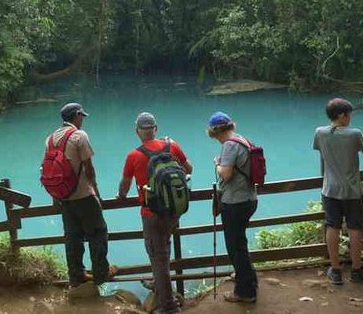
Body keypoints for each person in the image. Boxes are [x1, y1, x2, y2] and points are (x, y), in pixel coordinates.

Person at [117, 112, 193, 314]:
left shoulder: (134, 155)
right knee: (164, 249)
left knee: (158, 256)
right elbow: (189, 168)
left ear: (137, 132)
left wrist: (121, 195)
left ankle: (168, 307)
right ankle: (159, 284)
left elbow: (124, 186)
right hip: (173, 210)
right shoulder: (172, 146)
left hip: (151, 213)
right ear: (155, 129)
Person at [47, 103, 115, 292]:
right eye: (82, 116)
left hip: (64, 198)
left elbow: (50, 170)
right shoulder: (79, 136)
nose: (83, 119)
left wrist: (56, 195)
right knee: (98, 232)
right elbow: (89, 167)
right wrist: (97, 192)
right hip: (83, 195)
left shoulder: (50, 139)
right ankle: (101, 273)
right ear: (76, 115)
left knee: (73, 237)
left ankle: (76, 276)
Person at [313, 98, 363, 285]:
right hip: (352, 190)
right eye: (349, 114)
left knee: (332, 225)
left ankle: (336, 270)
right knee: (355, 227)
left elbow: (320, 149)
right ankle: (357, 269)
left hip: (330, 189)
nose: (350, 118)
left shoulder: (320, 132)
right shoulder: (354, 134)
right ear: (342, 115)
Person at [207, 111, 258, 302]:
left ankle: (245, 292)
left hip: (235, 202)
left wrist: (218, 164)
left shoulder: (229, 145)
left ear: (215, 131)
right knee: (240, 244)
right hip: (250, 198)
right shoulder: (242, 140)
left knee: (235, 247)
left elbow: (226, 175)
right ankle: (249, 280)